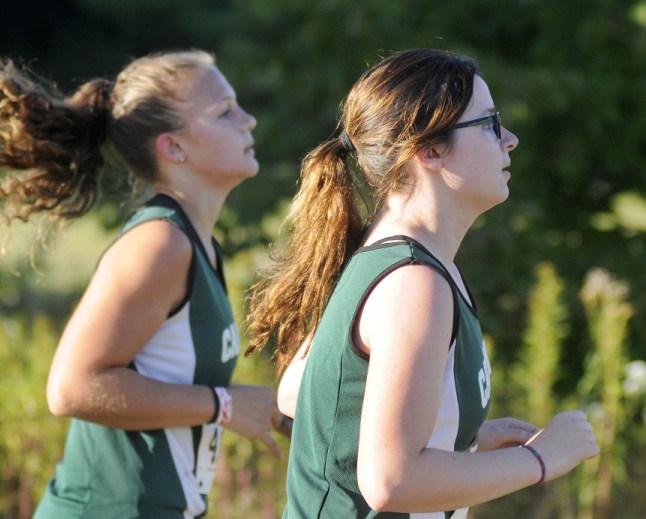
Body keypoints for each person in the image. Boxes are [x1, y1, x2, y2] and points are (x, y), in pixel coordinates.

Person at [0, 33, 285, 519]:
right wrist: (225, 406)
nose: (248, 120)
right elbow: (71, 387)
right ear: (173, 147)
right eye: (225, 112)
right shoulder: (159, 245)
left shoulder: (199, 246)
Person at [246, 49, 600, 518]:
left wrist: (452, 437)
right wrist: (539, 459)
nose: (510, 140)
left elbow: (298, 393)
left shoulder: (399, 255)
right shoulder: (414, 282)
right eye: (490, 123)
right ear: (429, 149)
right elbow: (392, 482)